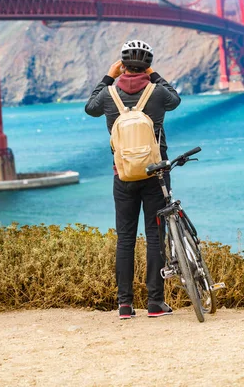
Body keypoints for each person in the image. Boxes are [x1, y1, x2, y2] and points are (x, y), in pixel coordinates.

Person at [85, 39, 181, 319]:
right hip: (156, 175)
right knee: (155, 237)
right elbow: (175, 99)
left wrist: (108, 76)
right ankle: (155, 303)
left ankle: (124, 305)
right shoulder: (158, 92)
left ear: (122, 65)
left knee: (125, 239)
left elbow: (90, 107)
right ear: (147, 66)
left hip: (123, 174)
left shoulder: (108, 95)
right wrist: (154, 74)